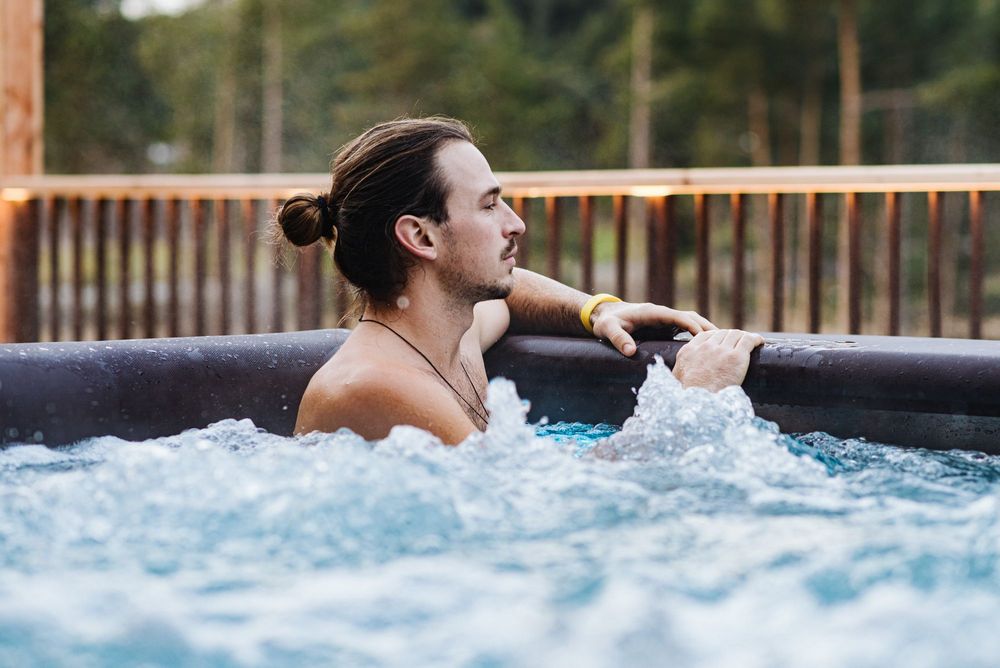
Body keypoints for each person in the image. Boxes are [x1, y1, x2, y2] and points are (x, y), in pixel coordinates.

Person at [276, 117, 764, 444]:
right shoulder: (374, 387)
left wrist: (596, 310)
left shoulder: (449, 333)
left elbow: (509, 299)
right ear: (421, 236)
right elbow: (556, 511)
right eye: (489, 205)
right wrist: (693, 400)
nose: (515, 223)